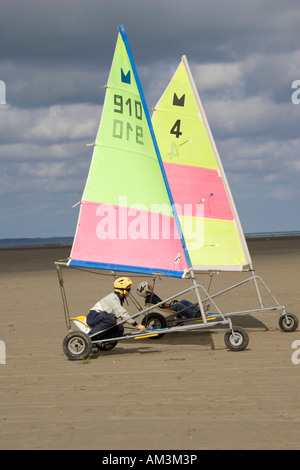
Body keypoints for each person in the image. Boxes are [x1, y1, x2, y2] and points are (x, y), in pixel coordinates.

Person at [136, 281, 201, 319]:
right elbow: (159, 309)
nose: (150, 285)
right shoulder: (149, 299)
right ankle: (194, 314)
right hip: (164, 312)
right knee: (179, 305)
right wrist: (171, 307)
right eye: (148, 286)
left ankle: (198, 310)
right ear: (146, 289)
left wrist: (170, 305)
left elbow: (163, 303)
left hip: (165, 310)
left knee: (183, 301)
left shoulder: (152, 296)